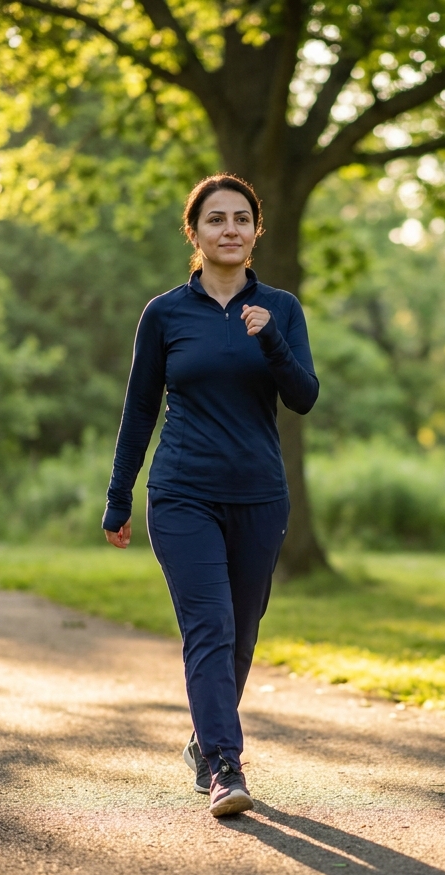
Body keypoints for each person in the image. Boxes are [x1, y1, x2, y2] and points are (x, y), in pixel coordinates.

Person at [102, 174, 318, 817]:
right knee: (210, 627)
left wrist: (270, 341)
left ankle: (205, 740)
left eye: (242, 219)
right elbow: (139, 409)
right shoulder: (165, 313)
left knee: (243, 634)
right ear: (194, 233)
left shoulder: (280, 308)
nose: (230, 229)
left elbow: (303, 397)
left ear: (256, 234)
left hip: (259, 495)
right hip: (182, 492)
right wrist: (119, 497)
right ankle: (226, 765)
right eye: (216, 219)